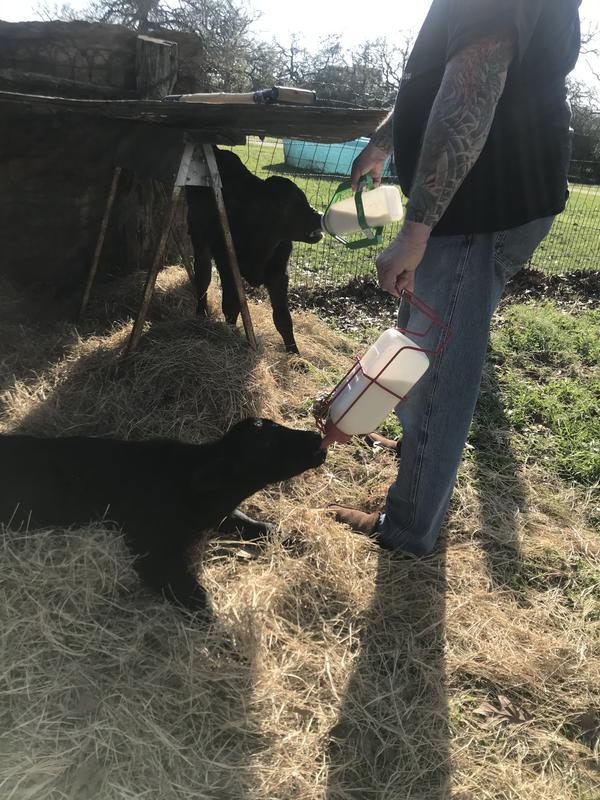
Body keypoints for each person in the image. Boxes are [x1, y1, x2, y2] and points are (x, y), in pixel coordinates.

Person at [329, 0, 581, 554]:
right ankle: (416, 488)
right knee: (420, 351)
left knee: (434, 369)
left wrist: (415, 232)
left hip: (478, 208)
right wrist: (386, 139)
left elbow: (471, 89)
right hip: (482, 200)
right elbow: (451, 69)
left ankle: (408, 527)